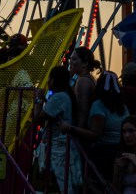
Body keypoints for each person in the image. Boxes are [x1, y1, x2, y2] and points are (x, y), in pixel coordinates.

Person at [59, 70, 128, 182]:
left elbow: (95, 134)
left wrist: (71, 128)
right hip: (119, 151)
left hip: (102, 152)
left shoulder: (99, 105)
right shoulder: (123, 107)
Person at [34, 66, 82, 194]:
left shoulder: (59, 97)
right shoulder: (66, 95)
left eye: (49, 78)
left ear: (54, 80)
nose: (48, 82)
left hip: (58, 147)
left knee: (60, 185)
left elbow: (38, 119)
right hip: (64, 146)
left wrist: (38, 99)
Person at [68, 46, 101, 126]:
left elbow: (82, 110)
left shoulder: (82, 81)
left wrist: (78, 130)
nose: (70, 62)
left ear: (85, 63)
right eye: (70, 59)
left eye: (74, 59)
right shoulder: (89, 79)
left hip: (83, 128)